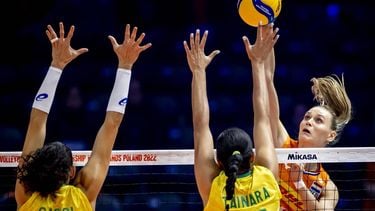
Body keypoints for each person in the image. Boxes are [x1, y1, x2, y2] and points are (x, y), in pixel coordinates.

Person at [15, 22, 152, 210]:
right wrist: (125, 66)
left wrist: (56, 65)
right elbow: (112, 123)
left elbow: (36, 122)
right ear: (72, 171)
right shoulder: (82, 195)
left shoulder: (27, 195)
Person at [183, 23, 281, 210]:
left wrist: (198, 71)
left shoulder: (213, 188)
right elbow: (263, 118)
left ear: (219, 162)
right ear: (252, 156)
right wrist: (258, 62)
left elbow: (200, 126)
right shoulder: (267, 176)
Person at [264, 30, 353, 210]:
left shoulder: (328, 187)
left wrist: (299, 184)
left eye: (318, 120)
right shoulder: (284, 145)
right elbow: (267, 84)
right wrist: (266, 31)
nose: (308, 122)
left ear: (330, 135)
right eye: (307, 117)